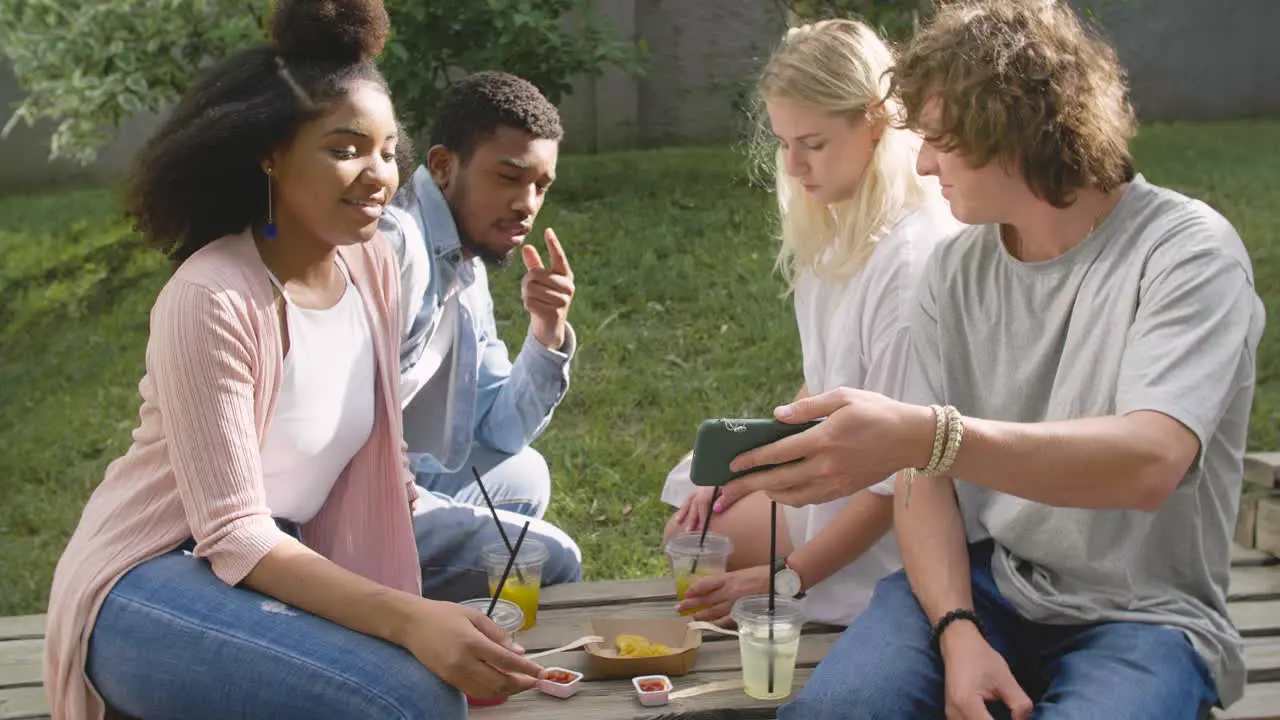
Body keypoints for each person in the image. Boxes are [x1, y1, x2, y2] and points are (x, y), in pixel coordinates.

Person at [715, 1, 1266, 718]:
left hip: (1144, 615)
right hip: (984, 589)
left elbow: (1148, 462)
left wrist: (929, 435)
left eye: (941, 139)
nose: (921, 160)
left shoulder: (1185, 253)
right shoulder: (955, 272)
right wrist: (957, 628)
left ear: (1017, 132)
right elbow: (924, 481)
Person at [42, 2, 545, 718]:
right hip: (151, 575)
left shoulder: (370, 265)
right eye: (345, 148)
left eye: (385, 148)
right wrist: (407, 619)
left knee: (501, 615)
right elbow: (235, 533)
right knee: (405, 699)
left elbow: (382, 455)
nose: (377, 174)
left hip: (277, 557)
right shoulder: (211, 296)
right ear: (270, 151)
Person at [658, 18, 963, 627]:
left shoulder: (909, 261)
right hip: (840, 476)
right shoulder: (837, 224)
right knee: (697, 524)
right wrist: (752, 468)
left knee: (724, 569)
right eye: (782, 142)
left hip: (905, 516)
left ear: (876, 121)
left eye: (814, 143)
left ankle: (839, 601)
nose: (794, 165)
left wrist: (787, 577)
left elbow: (905, 477)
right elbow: (823, 385)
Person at [378, 71, 583, 602]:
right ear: (443, 165)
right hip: (350, 501)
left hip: (404, 478)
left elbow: (500, 430)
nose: (527, 203)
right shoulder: (395, 246)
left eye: (541, 186)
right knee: (553, 561)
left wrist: (547, 332)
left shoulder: (467, 268)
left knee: (524, 474)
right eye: (508, 177)